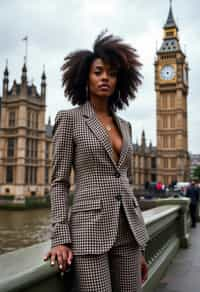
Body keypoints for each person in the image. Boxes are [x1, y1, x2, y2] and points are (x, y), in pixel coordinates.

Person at [44, 32, 149, 292]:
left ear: (120, 81)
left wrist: (140, 247)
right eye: (98, 72)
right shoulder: (70, 119)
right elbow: (59, 182)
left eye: (111, 74)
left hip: (129, 231)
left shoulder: (125, 126)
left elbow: (125, 180)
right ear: (85, 77)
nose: (105, 78)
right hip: (89, 232)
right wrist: (60, 237)